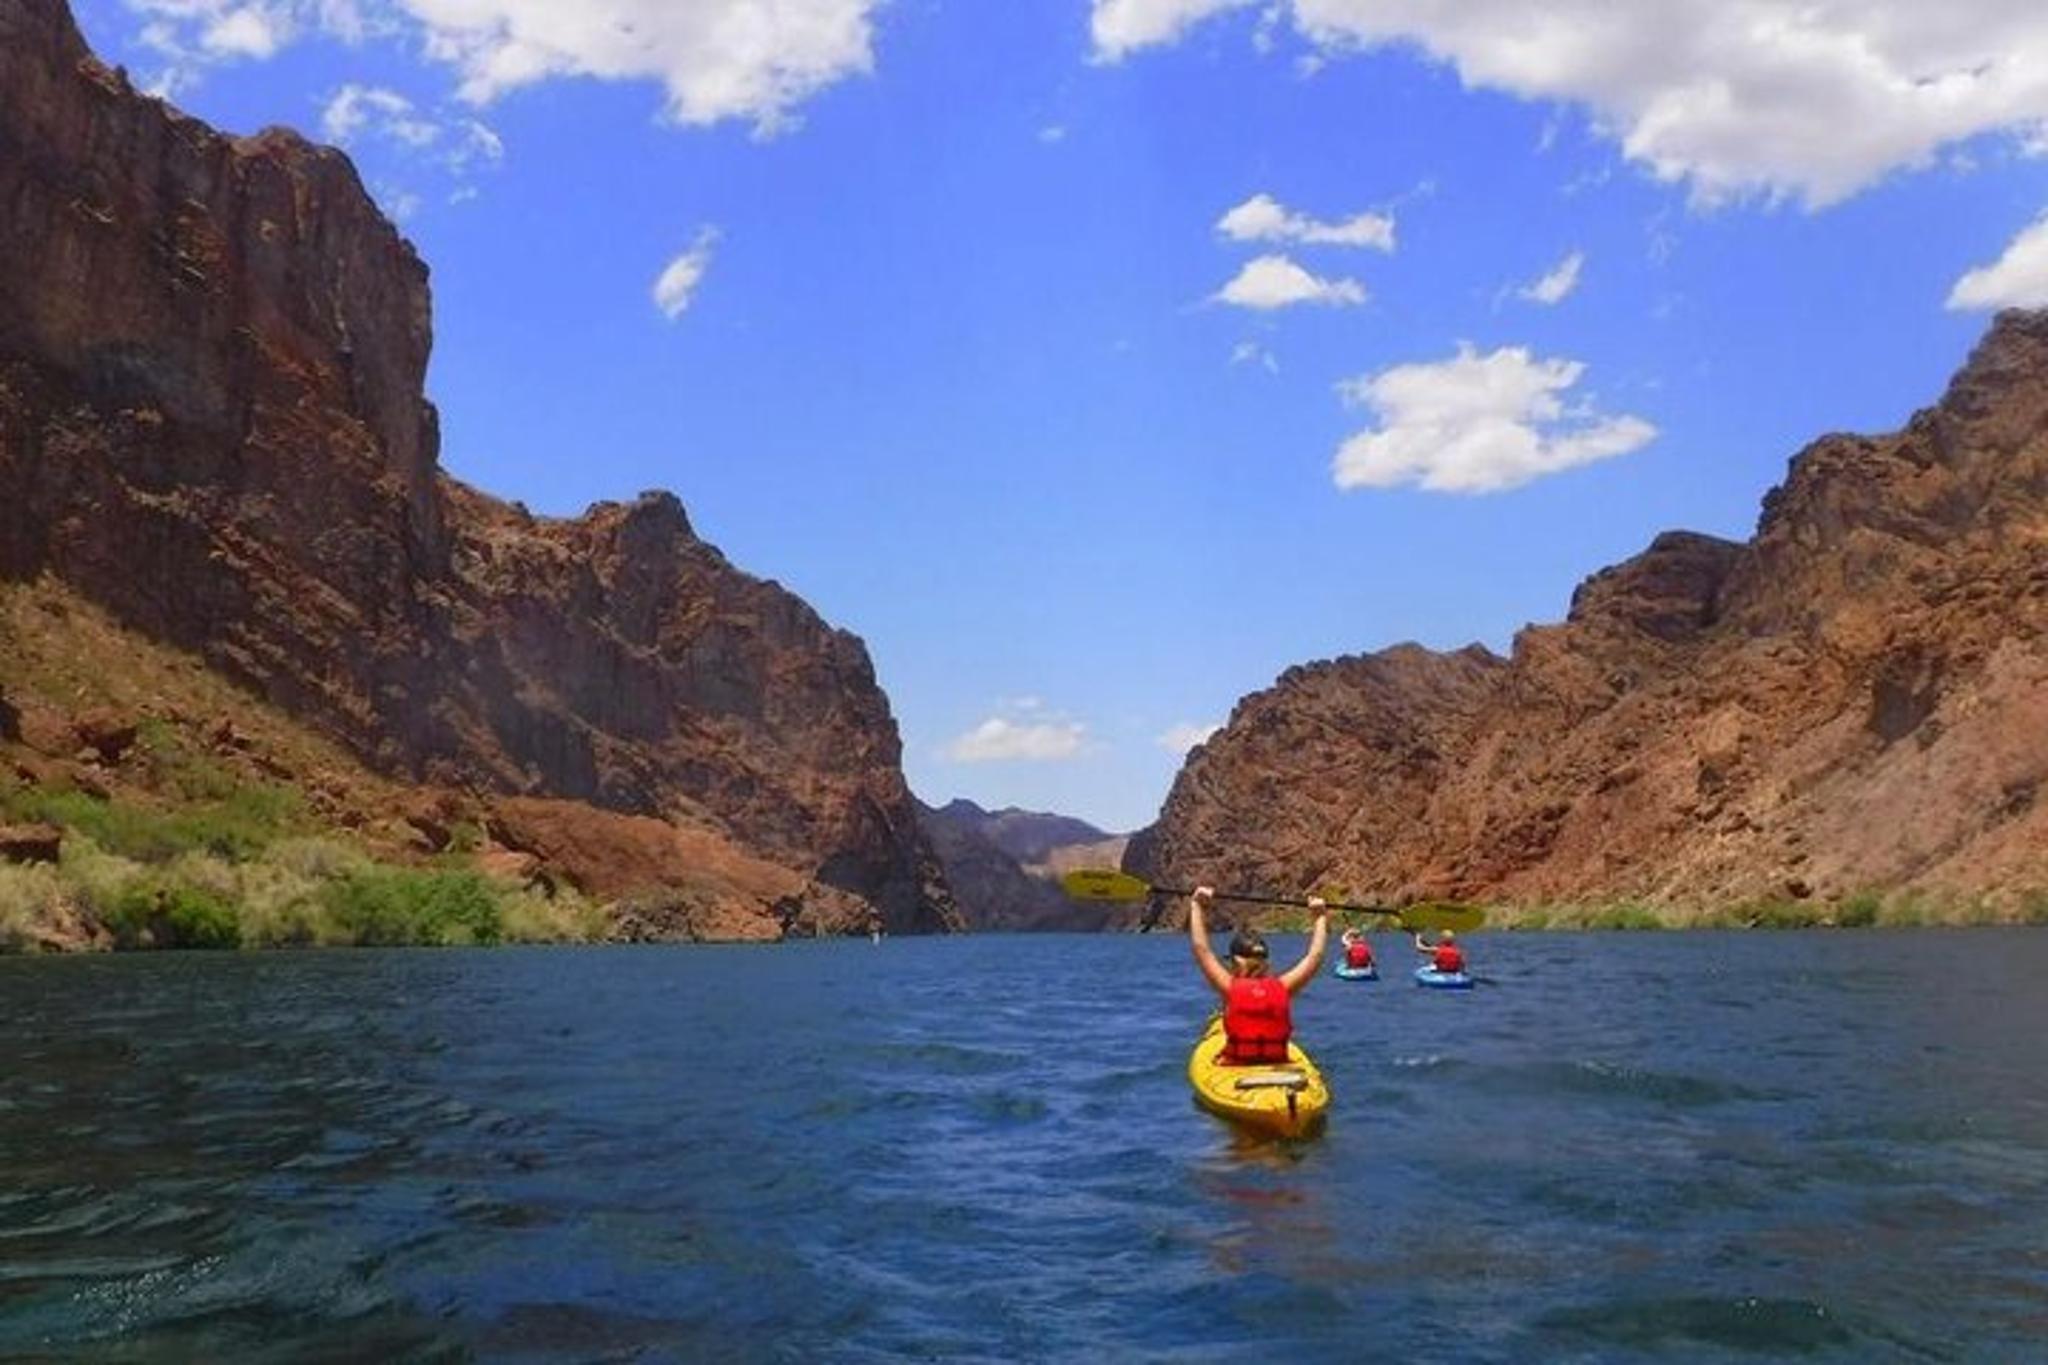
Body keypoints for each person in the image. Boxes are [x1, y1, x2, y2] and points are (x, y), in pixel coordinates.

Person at [1188, 885, 1329, 1065]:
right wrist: (1320, 917)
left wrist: (1197, 905)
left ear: (1235, 963)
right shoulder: (1284, 986)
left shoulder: (1228, 987)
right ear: (1266, 963)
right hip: (1277, 1062)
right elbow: (1315, 957)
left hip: (1236, 1065)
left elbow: (1202, 949)